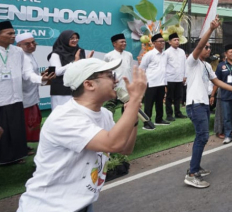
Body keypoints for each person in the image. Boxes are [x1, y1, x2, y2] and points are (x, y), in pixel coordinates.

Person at [18, 58, 147, 212]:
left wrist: (132, 115)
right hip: (49, 206)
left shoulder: (104, 114)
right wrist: (135, 100)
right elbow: (113, 144)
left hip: (82, 204)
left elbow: (124, 148)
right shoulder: (65, 117)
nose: (116, 79)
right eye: (110, 75)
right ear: (89, 84)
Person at [183, 18, 232, 188]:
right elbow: (199, 46)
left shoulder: (207, 66)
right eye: (206, 47)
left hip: (203, 104)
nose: (208, 49)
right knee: (202, 136)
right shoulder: (192, 62)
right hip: (195, 104)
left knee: (201, 136)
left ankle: (196, 167)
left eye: (209, 47)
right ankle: (192, 173)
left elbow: (217, 82)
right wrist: (210, 29)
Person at [0, 22, 50, 170]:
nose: (13, 36)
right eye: (9, 34)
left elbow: (26, 73)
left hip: (16, 98)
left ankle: (13, 157)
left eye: (13, 33)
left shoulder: (17, 52)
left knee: (14, 130)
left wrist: (41, 79)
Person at [48, 30, 90, 110]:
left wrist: (87, 62)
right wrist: (74, 62)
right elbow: (57, 72)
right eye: (72, 38)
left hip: (77, 89)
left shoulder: (80, 51)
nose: (75, 40)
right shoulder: (56, 54)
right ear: (65, 39)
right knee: (61, 115)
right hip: (61, 91)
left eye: (77, 38)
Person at [16, 33, 44, 145]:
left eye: (33, 42)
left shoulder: (29, 54)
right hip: (24, 98)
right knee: (24, 125)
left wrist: (41, 76)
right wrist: (42, 79)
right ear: (19, 45)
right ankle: (21, 147)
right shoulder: (23, 56)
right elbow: (28, 75)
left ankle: (23, 147)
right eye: (27, 44)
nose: (32, 45)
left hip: (31, 96)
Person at [139, 34, 169, 128]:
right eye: (160, 41)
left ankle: (159, 119)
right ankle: (147, 123)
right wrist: (143, 82)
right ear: (154, 43)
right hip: (151, 83)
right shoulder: (149, 55)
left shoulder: (165, 55)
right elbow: (142, 68)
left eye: (163, 41)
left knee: (159, 102)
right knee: (149, 104)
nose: (162, 43)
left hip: (161, 82)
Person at [103, 34, 134, 113]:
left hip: (126, 85)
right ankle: (109, 124)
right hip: (115, 86)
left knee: (128, 107)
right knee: (110, 107)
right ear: (114, 44)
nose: (124, 43)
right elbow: (106, 71)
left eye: (125, 42)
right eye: (122, 42)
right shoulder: (108, 56)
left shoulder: (129, 55)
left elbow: (128, 69)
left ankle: (127, 124)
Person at [164, 33, 187, 121]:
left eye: (178, 40)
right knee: (169, 97)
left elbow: (185, 65)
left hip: (180, 78)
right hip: (170, 78)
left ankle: (178, 112)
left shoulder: (182, 51)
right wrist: (165, 79)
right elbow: (164, 66)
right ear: (170, 42)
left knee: (178, 97)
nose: (177, 42)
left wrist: (185, 76)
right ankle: (169, 114)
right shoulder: (167, 52)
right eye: (175, 40)